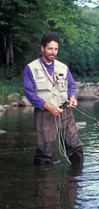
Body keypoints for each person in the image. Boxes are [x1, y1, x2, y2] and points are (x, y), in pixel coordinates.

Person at [23, 32, 84, 165]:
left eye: (56, 49)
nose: (53, 52)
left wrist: (72, 97)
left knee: (75, 147)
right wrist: (47, 106)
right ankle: (44, 183)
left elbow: (72, 85)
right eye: (50, 48)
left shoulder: (63, 67)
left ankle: (76, 180)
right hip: (44, 112)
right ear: (42, 48)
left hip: (65, 111)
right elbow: (29, 93)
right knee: (45, 152)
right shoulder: (31, 68)